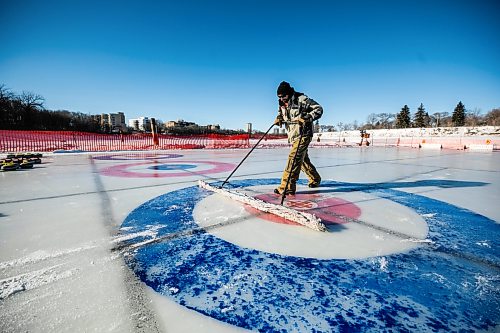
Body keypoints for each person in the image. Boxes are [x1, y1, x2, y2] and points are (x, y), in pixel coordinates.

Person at [273, 81, 323, 195]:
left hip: (304, 134)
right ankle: (315, 179)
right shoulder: (281, 103)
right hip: (293, 135)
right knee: (303, 161)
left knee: (294, 158)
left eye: (283, 96)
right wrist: (279, 118)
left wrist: (307, 117)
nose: (282, 98)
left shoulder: (301, 99)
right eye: (279, 97)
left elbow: (319, 109)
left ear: (289, 93)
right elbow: (281, 113)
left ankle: (287, 187)